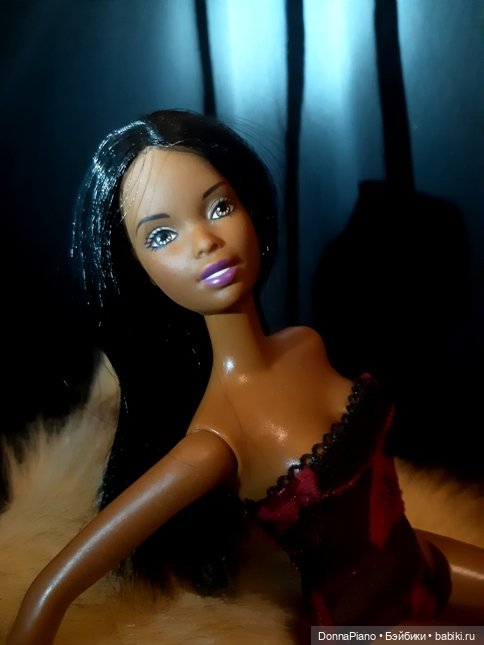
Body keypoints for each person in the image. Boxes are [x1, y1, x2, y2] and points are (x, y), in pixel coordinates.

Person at [7, 109, 484, 644]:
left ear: (250, 209)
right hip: (365, 624)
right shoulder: (214, 442)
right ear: (139, 271)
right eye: (162, 236)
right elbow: (49, 592)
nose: (205, 241)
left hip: (421, 557)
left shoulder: (306, 344)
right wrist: (35, 618)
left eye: (220, 206)